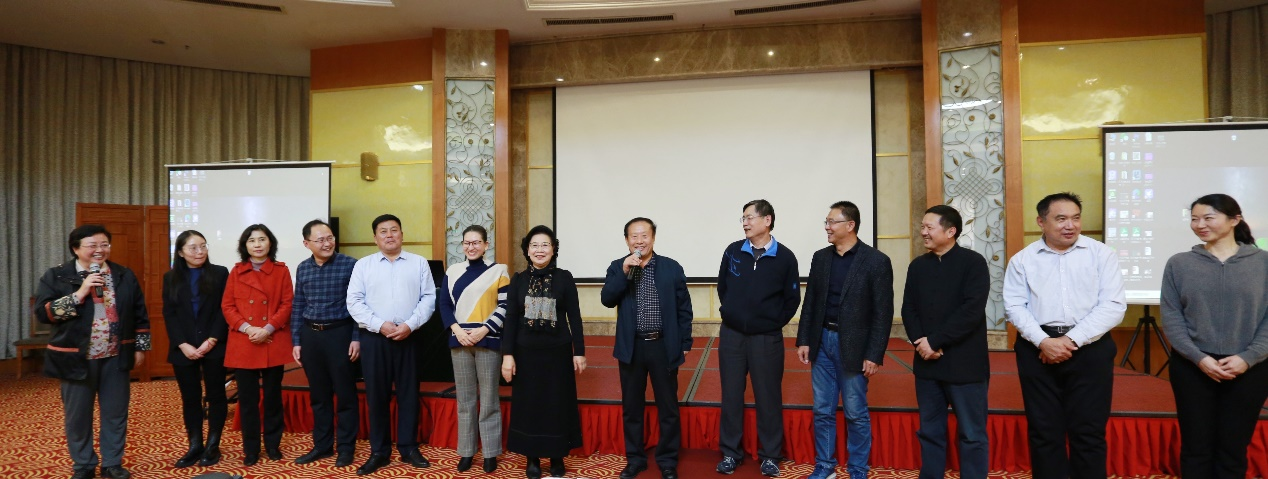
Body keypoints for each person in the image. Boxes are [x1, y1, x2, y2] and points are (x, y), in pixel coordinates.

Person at [1003, 192, 1126, 479]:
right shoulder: (1023, 260)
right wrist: (1044, 342)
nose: (1070, 225)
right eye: (1061, 219)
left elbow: (1113, 306)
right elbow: (1014, 307)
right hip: (1037, 350)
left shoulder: (1101, 254)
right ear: (1041, 222)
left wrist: (1069, 341)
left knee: (1089, 431)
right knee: (1044, 431)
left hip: (1090, 348)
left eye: (1075, 218)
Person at [1160, 193, 1268, 479]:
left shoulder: (1263, 263)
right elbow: (1172, 317)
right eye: (1194, 219)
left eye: (1208, 217)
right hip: (1192, 366)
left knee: (1233, 449)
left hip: (1250, 368)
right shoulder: (1179, 264)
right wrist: (1199, 358)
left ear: (1235, 220)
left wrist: (1248, 357)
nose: (1199, 225)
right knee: (1196, 448)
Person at [35, 224, 151, 479]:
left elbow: (139, 312)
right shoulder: (58, 275)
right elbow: (44, 313)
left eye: (104, 245)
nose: (100, 250)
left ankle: (112, 463)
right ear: (76, 248)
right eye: (92, 245)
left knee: (115, 412)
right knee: (77, 416)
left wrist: (140, 348)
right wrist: (80, 293)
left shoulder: (123, 274)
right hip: (75, 356)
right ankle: (84, 465)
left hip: (115, 354)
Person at [796, 201, 894, 479]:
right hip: (821, 342)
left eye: (832, 222)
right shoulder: (820, 258)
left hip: (855, 347)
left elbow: (883, 312)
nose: (827, 227)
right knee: (822, 410)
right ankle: (825, 466)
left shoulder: (876, 261)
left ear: (850, 225)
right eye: (826, 222)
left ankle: (858, 470)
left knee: (855, 412)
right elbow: (811, 301)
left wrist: (874, 354)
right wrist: (804, 339)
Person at [900, 205, 990, 479]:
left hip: (965, 364)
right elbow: (908, 309)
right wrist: (920, 342)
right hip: (927, 364)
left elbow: (971, 311)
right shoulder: (918, 266)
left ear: (951, 231)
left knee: (972, 434)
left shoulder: (973, 263)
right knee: (930, 431)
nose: (923, 232)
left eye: (929, 227)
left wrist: (935, 341)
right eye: (922, 227)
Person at [601, 217, 693, 479]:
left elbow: (684, 308)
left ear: (653, 238)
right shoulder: (617, 267)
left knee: (668, 407)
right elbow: (607, 299)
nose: (639, 241)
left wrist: (685, 342)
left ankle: (667, 460)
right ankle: (635, 459)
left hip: (663, 345)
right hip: (632, 347)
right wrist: (624, 271)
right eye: (634, 236)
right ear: (626, 240)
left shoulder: (671, 267)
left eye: (644, 236)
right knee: (632, 407)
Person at [716, 199, 801, 477]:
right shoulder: (732, 251)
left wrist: (771, 323)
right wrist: (733, 314)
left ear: (767, 220)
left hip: (766, 338)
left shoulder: (785, 257)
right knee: (731, 395)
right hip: (732, 336)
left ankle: (771, 455)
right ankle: (730, 453)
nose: (745, 223)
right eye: (743, 218)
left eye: (750, 217)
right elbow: (722, 287)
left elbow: (792, 299)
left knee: (768, 396)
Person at [347, 214, 436, 475]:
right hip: (375, 338)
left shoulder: (419, 263)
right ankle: (379, 451)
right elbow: (354, 302)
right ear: (375, 238)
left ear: (402, 234)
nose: (389, 235)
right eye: (383, 231)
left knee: (409, 394)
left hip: (409, 336)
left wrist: (410, 325)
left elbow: (428, 298)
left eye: (394, 230)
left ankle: (408, 447)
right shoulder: (363, 265)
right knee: (377, 396)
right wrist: (379, 325)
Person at [502, 225, 586, 479]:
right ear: (527, 250)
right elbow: (510, 319)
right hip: (526, 354)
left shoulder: (564, 278)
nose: (540, 250)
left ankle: (557, 456)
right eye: (535, 245)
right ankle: (533, 458)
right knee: (530, 407)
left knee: (557, 405)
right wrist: (507, 355)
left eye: (545, 245)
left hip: (557, 353)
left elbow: (575, 317)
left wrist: (579, 351)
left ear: (553, 249)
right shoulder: (518, 280)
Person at [290, 219, 360, 468]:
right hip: (311, 336)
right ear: (306, 243)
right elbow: (298, 305)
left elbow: (359, 305)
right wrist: (297, 340)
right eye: (320, 240)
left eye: (330, 238)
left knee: (345, 394)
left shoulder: (350, 265)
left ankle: (346, 448)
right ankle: (322, 446)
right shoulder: (303, 268)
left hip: (340, 334)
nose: (327, 243)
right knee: (319, 396)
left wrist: (356, 337)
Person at [221, 223, 294, 466]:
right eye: (252, 240)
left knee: (273, 398)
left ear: (270, 243)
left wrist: (267, 329)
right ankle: (250, 449)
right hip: (245, 341)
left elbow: (287, 304)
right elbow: (227, 306)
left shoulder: (281, 271)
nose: (257, 244)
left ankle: (273, 445)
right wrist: (249, 328)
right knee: (248, 400)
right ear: (245, 246)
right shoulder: (236, 271)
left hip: (272, 339)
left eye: (262, 239)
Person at [439, 225, 509, 474]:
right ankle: (467, 451)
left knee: (489, 399)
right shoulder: (453, 271)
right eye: (467, 243)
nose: (471, 247)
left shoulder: (499, 270)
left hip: (488, 340)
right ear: (462, 246)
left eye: (476, 242)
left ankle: (490, 453)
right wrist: (457, 330)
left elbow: (504, 306)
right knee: (465, 400)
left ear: (486, 245)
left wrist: (485, 329)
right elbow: (444, 305)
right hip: (459, 341)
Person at [162, 230, 230, 469]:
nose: (200, 252)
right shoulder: (170, 278)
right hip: (184, 348)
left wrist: (212, 340)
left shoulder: (220, 273)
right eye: (193, 248)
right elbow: (169, 314)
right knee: (190, 398)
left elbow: (224, 309)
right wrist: (182, 344)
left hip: (214, 345)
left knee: (216, 395)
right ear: (181, 252)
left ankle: (213, 445)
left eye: (203, 246)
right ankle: (194, 445)